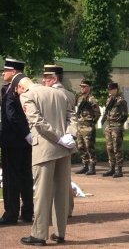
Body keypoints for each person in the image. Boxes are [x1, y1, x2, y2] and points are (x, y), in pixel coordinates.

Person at [18, 76, 77, 246]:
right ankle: (60, 233)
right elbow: (72, 116)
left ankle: (39, 234)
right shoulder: (60, 93)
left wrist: (59, 138)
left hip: (45, 148)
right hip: (64, 148)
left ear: (21, 86)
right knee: (61, 192)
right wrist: (69, 135)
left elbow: (37, 121)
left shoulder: (27, 95)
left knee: (42, 193)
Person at [0, 59, 33, 225]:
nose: (2, 73)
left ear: (13, 72)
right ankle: (27, 212)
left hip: (12, 141)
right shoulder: (28, 89)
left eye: (5, 70)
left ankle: (11, 214)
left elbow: (11, 115)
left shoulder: (9, 90)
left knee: (11, 179)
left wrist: (24, 133)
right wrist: (28, 134)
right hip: (25, 141)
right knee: (26, 176)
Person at [42, 64, 76, 217]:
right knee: (64, 179)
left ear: (54, 79)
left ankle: (51, 213)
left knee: (50, 181)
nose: (44, 81)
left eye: (46, 78)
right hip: (67, 140)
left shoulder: (49, 94)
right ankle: (67, 209)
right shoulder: (69, 94)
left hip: (52, 140)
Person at [102, 82, 128, 178]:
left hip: (116, 127)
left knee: (117, 148)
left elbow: (125, 115)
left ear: (116, 89)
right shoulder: (108, 100)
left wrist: (118, 122)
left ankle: (119, 169)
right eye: (109, 89)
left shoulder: (121, 101)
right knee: (109, 148)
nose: (109, 91)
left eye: (111, 89)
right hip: (109, 127)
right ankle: (111, 167)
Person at [75, 79, 101, 175]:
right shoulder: (80, 99)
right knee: (81, 146)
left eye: (84, 86)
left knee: (90, 147)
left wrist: (92, 123)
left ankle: (92, 166)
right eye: (81, 86)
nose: (82, 88)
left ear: (89, 88)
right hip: (80, 126)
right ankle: (85, 165)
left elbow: (97, 113)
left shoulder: (92, 99)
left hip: (88, 126)